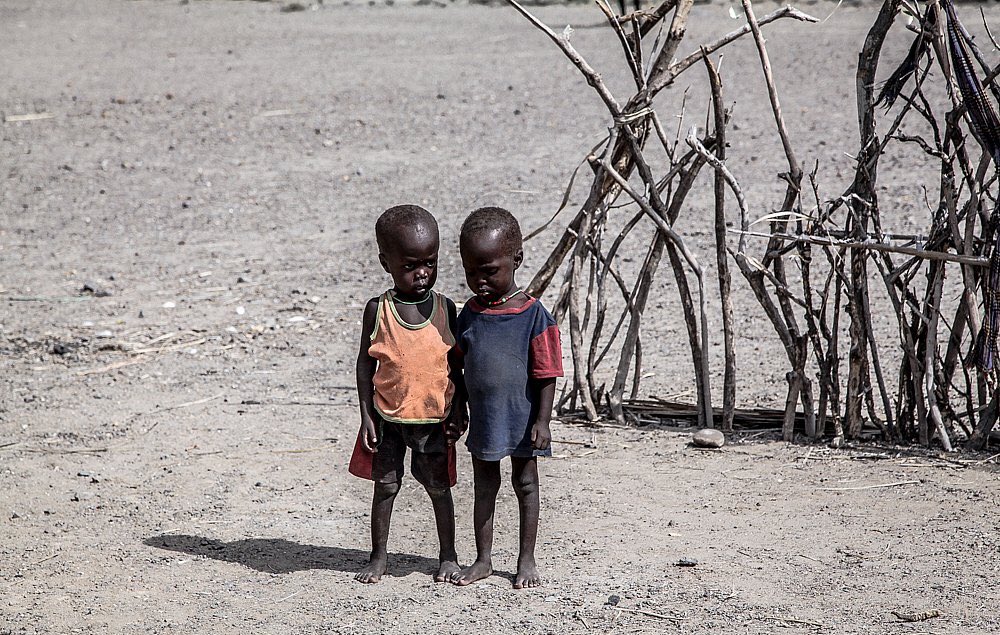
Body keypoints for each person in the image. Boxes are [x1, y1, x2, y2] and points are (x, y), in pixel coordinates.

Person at [348, 204, 465, 584]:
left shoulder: (445, 308)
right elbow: (366, 364)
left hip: (433, 419)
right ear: (386, 263)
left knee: (438, 488)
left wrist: (460, 408)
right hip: (387, 419)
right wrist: (366, 415)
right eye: (410, 265)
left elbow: (455, 367)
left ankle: (448, 555)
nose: (422, 274)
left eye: (430, 263)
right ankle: (378, 556)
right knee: (385, 487)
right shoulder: (378, 310)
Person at [450, 206, 563, 589]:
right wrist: (458, 408)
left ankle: (525, 560)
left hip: (522, 418)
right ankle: (483, 559)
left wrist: (543, 421)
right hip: (484, 418)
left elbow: (547, 373)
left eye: (490, 271)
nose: (479, 281)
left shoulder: (534, 316)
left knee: (525, 484)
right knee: (484, 486)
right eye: (471, 272)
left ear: (516, 259)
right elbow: (458, 367)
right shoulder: (469, 314)